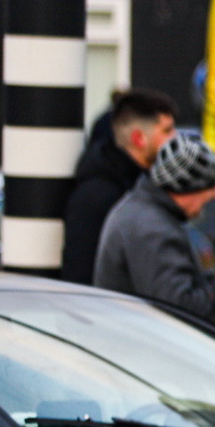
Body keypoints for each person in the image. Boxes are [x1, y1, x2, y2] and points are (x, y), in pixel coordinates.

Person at [89, 134, 215, 320]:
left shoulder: (142, 211)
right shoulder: (153, 229)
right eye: (211, 185)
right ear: (188, 186)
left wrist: (214, 281)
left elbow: (166, 285)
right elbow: (178, 307)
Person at [60, 88, 177, 286]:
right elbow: (82, 273)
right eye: (166, 131)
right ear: (139, 138)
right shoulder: (101, 196)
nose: (175, 138)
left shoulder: (141, 185)